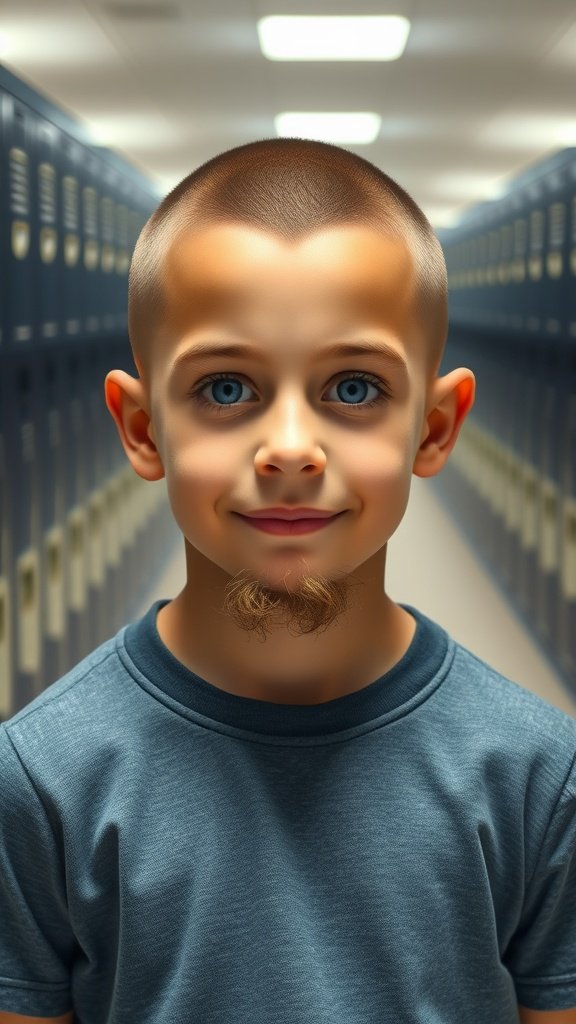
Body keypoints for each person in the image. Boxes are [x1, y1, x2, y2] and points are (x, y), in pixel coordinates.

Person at [0, 138, 574, 1024]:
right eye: (227, 389)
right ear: (143, 428)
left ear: (436, 426)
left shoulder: (539, 777)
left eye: (353, 387)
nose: (293, 449)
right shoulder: (42, 781)